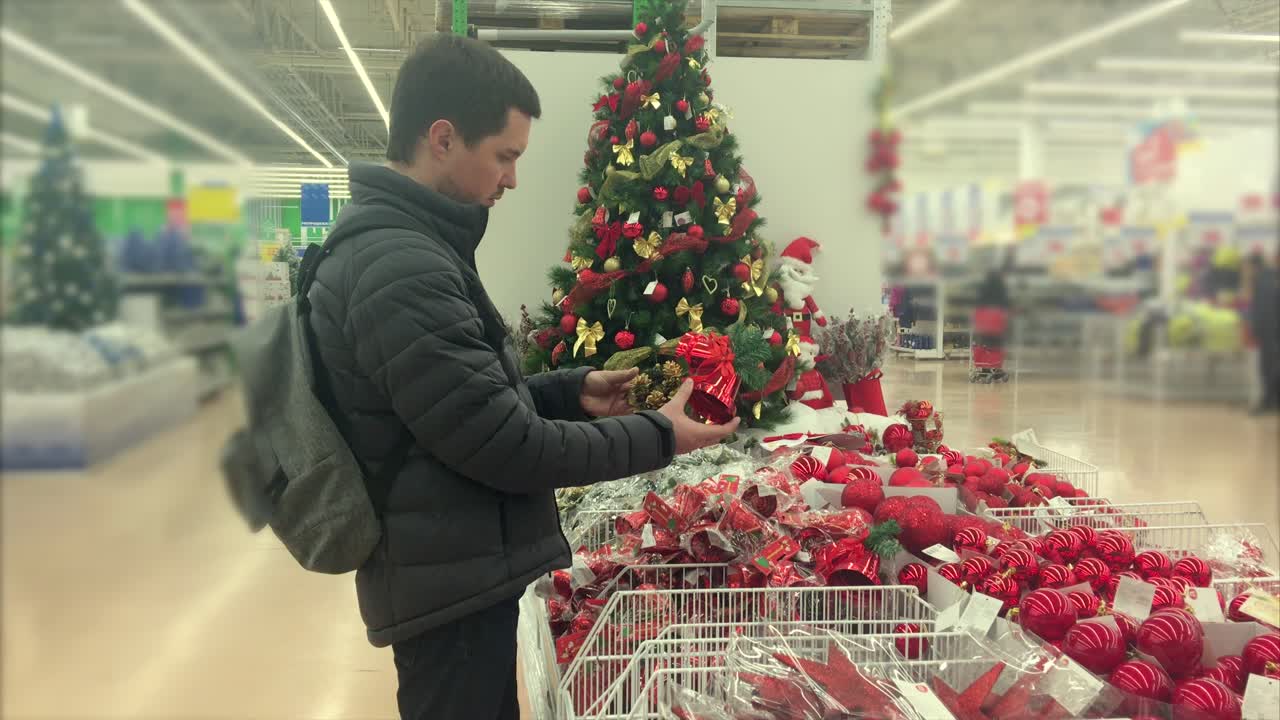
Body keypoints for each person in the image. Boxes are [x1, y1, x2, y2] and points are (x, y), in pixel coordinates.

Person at [306, 35, 740, 720]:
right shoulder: (398, 267)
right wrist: (662, 435)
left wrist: (570, 392)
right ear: (442, 139)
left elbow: (458, 411)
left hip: (453, 564)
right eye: (504, 156)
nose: (511, 179)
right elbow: (509, 448)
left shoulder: (411, 246)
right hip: (445, 585)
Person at [1246, 252, 1278, 414]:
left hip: (1269, 331)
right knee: (1271, 366)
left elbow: (1262, 308)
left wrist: (1256, 329)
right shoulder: (1272, 277)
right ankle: (1272, 401)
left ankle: (1269, 402)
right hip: (1272, 330)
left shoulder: (1262, 279)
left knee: (1268, 367)